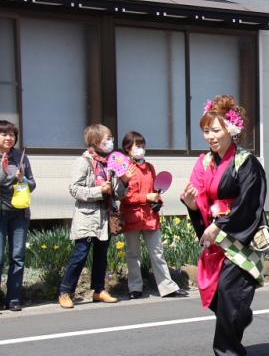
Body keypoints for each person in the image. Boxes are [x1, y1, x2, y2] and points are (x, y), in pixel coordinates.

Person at [181, 95, 267, 356]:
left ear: (231, 129)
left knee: (231, 292)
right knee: (217, 295)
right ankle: (241, 316)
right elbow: (198, 196)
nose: (210, 136)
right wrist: (193, 205)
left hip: (238, 238)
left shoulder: (246, 162)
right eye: (206, 131)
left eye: (216, 130)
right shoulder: (204, 163)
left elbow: (249, 202)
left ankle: (229, 353)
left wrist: (221, 225)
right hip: (214, 237)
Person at [58, 124, 132, 309]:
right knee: (80, 254)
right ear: (96, 141)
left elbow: (117, 193)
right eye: (107, 138)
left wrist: (124, 182)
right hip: (87, 215)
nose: (110, 142)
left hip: (105, 216)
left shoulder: (110, 163)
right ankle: (65, 291)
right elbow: (74, 189)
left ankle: (99, 290)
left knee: (102, 255)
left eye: (111, 138)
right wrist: (99, 190)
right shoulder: (83, 162)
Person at [119, 131, 188, 299]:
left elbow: (156, 190)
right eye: (138, 146)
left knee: (157, 252)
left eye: (142, 145)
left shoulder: (149, 167)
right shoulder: (124, 169)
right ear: (128, 149)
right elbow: (123, 195)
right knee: (133, 254)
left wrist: (158, 200)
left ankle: (167, 287)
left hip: (150, 216)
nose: (141, 149)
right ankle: (135, 287)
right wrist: (145, 197)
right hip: (132, 216)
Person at [0, 120, 36, 311]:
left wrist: (23, 179)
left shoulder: (21, 157)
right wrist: (3, 171)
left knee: (18, 256)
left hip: (19, 213)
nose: (9, 138)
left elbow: (33, 184)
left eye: (12, 135)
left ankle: (13, 298)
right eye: (4, 134)